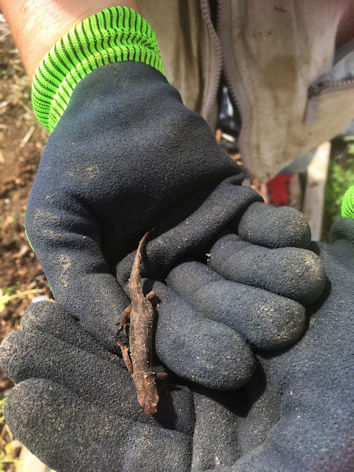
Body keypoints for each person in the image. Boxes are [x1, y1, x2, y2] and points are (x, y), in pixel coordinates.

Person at [0, 1, 353, 470]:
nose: (151, 400)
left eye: (150, 400)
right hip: (163, 71)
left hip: (300, 79)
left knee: (286, 154)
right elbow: (141, 359)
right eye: (149, 398)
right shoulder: (149, 372)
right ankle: (253, 174)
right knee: (139, 301)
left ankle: (267, 172)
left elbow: (139, 353)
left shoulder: (148, 368)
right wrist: (94, 69)